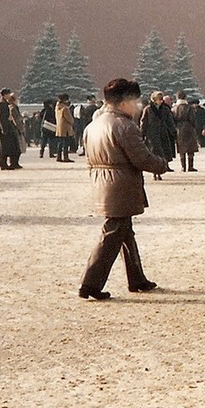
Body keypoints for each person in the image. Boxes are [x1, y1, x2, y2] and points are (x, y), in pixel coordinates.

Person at [78, 78, 170, 300]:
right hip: (120, 184)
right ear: (124, 102)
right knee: (113, 232)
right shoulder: (125, 126)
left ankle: (137, 278)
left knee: (124, 231)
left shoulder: (94, 125)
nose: (138, 105)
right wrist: (162, 164)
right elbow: (141, 157)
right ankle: (90, 284)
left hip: (103, 182)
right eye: (135, 100)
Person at [140, 92, 174, 181]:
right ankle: (155, 173)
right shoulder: (148, 109)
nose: (161, 101)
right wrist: (142, 134)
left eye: (162, 99)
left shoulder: (165, 109)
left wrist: (173, 131)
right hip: (152, 134)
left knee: (162, 154)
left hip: (162, 133)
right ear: (154, 100)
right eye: (159, 99)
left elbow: (169, 121)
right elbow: (144, 122)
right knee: (154, 153)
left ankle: (159, 172)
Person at [0, 89, 24, 170]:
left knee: (9, 145)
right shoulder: (1, 104)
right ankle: (3, 162)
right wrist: (4, 128)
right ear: (4, 95)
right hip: (4, 126)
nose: (9, 95)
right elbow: (1, 117)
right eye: (8, 94)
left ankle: (8, 162)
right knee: (5, 145)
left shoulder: (5, 103)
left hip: (7, 125)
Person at [172, 91, 200, 172]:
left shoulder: (174, 108)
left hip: (179, 129)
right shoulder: (189, 107)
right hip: (189, 128)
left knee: (181, 148)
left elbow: (172, 119)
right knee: (190, 149)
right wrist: (194, 126)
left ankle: (183, 167)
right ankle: (190, 166)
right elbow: (192, 119)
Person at [54, 94, 75, 163]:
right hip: (66, 127)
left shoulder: (57, 107)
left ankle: (59, 156)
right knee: (66, 143)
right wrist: (72, 122)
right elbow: (69, 119)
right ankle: (66, 157)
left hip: (59, 126)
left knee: (60, 143)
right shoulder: (65, 108)